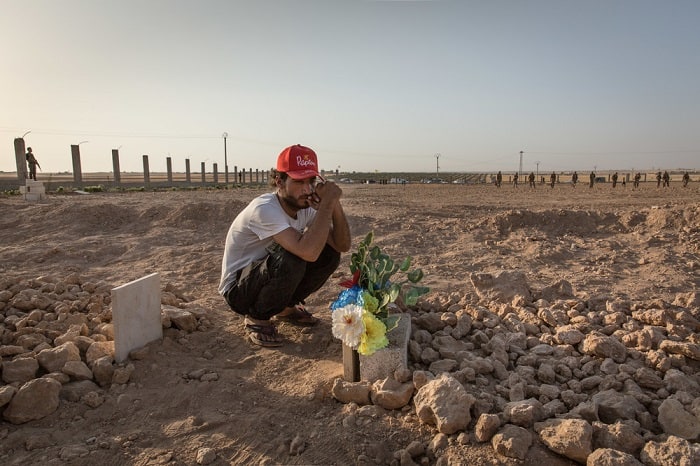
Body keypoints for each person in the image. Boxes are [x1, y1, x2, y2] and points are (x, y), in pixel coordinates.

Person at [218, 144, 351, 347]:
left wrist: (334, 204)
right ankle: (257, 317)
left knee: (329, 253)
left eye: (311, 181)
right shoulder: (265, 209)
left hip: (264, 275)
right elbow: (307, 252)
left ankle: (284, 308)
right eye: (299, 182)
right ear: (279, 181)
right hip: (239, 290)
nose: (307, 189)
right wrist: (326, 205)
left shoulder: (303, 205)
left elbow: (341, 245)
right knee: (293, 257)